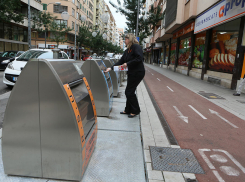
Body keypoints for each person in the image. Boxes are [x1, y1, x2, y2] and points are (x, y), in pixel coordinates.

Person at [105, 33, 145, 118]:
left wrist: (128, 63)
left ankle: (135, 110)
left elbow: (139, 58)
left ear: (129, 39)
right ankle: (128, 110)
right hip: (131, 72)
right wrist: (111, 68)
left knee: (129, 92)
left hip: (138, 72)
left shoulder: (136, 47)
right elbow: (121, 61)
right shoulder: (127, 51)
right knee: (129, 91)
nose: (124, 41)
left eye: (125, 39)